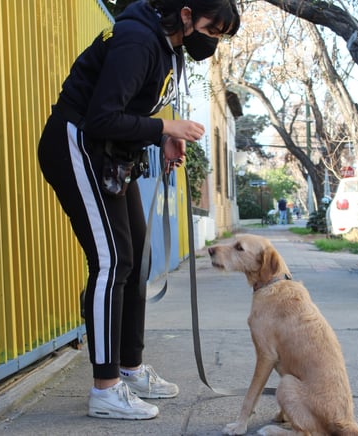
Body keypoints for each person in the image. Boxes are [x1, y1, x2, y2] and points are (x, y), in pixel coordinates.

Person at [37, 0, 240, 421]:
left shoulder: (170, 46)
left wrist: (161, 135)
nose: (213, 40)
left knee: (137, 260)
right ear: (186, 14)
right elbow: (101, 117)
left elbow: (134, 108)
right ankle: (105, 389)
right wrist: (165, 127)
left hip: (111, 155)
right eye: (212, 29)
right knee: (113, 262)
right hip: (76, 145)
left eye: (221, 34)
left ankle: (129, 368)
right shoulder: (137, 39)